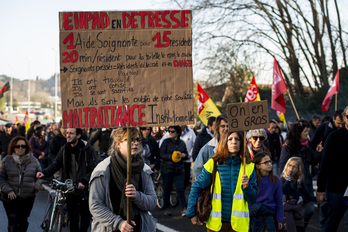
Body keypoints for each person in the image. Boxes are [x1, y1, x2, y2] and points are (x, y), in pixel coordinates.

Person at [89, 127, 157, 232]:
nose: (135, 143)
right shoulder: (103, 170)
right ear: (118, 143)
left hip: (138, 226)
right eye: (130, 139)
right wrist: (118, 223)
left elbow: (152, 201)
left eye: (137, 139)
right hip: (110, 228)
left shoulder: (144, 169)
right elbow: (95, 205)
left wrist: (137, 196)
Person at [187, 131, 257, 232]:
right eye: (230, 139)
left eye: (237, 139)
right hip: (216, 226)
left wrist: (247, 187)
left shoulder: (249, 167)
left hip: (238, 226)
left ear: (242, 143)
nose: (234, 142)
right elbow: (197, 187)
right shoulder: (213, 164)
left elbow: (252, 199)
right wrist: (191, 213)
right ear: (224, 142)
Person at [36, 128, 97, 232]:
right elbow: (56, 164)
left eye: (71, 134)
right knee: (73, 221)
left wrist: (84, 181)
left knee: (84, 221)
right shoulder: (64, 149)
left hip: (84, 190)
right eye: (67, 133)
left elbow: (93, 168)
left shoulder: (88, 150)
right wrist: (44, 173)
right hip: (70, 189)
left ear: (78, 136)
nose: (68, 136)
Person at [279, 120, 319, 228]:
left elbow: (313, 162)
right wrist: (287, 181)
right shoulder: (288, 147)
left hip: (306, 184)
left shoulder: (307, 146)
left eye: (308, 131)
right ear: (299, 132)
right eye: (305, 131)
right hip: (293, 188)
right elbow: (282, 167)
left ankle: (302, 227)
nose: (307, 133)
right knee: (293, 217)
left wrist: (318, 152)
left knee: (310, 209)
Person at [0, 136, 42, 232]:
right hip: (10, 198)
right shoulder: (7, 160)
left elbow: (40, 176)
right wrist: (8, 190)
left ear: (26, 147)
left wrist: (36, 186)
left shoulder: (34, 160)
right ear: (13, 147)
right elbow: (1, 177)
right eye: (17, 146)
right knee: (13, 221)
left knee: (23, 221)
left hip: (27, 198)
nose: (20, 148)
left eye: (23, 146)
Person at [317, 106, 348, 232]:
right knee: (332, 223)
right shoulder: (334, 137)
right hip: (336, 188)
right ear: (345, 118)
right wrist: (320, 188)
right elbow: (325, 163)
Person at [250, 152, 284, 232]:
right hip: (255, 214)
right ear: (258, 166)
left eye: (270, 161)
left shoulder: (275, 180)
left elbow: (279, 201)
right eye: (266, 162)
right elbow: (249, 199)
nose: (269, 164)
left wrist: (280, 219)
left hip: (270, 214)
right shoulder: (253, 180)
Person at [280, 157, 316, 232]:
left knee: (299, 227)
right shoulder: (282, 179)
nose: (291, 168)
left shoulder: (299, 181)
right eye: (290, 165)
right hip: (286, 210)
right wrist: (288, 178)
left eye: (294, 167)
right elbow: (284, 190)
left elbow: (307, 195)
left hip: (296, 210)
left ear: (298, 169)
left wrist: (317, 199)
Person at [160, 125, 188, 217]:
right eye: (169, 131)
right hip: (167, 170)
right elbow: (162, 155)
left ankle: (184, 208)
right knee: (167, 189)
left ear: (177, 133)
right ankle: (167, 208)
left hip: (179, 170)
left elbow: (186, 154)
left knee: (180, 189)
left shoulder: (182, 143)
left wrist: (184, 155)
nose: (170, 133)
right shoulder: (165, 142)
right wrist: (171, 157)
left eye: (172, 131)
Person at [193, 114, 228, 178]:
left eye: (228, 126)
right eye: (223, 126)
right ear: (217, 128)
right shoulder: (208, 148)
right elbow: (197, 169)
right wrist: (206, 184)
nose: (226, 128)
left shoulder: (235, 146)